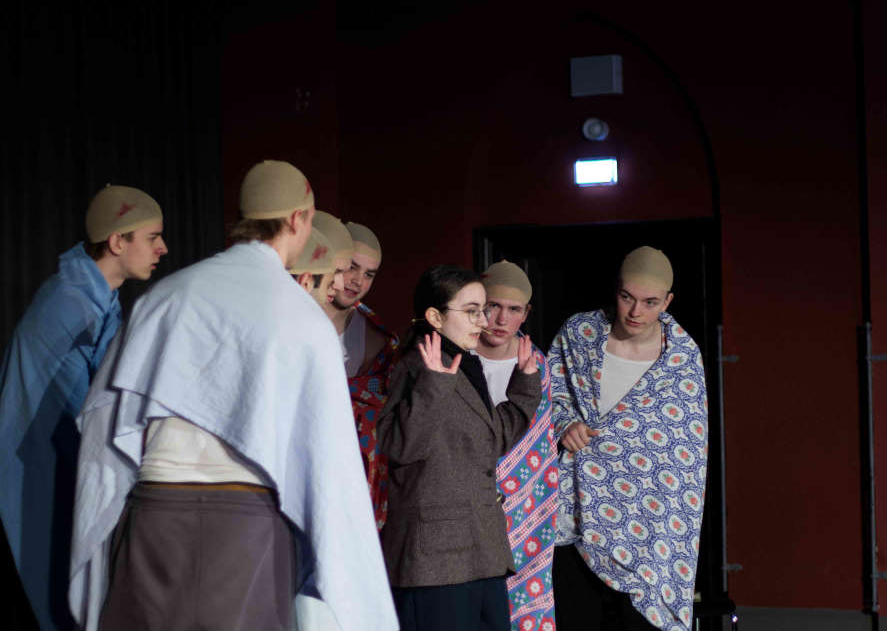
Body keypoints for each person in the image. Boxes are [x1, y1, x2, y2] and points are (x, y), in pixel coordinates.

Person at [68, 160, 396, 631]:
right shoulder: (302, 317)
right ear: (299, 220)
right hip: (246, 526)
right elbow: (330, 465)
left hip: (154, 517)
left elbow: (104, 421)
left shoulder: (165, 297)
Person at [0, 184, 165, 631]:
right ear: (117, 242)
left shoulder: (96, 298)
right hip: (39, 477)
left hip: (58, 467)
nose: (163, 249)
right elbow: (81, 415)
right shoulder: (70, 305)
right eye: (153, 237)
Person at [547, 247, 708, 631]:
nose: (636, 312)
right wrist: (565, 423)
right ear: (615, 291)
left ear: (667, 302)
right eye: (627, 297)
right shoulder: (580, 333)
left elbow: (686, 455)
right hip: (577, 507)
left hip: (648, 519)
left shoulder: (681, 357)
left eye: (650, 302)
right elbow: (546, 394)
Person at [377, 264, 542, 631]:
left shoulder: (463, 362)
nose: (483, 321)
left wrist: (524, 385)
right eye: (471, 311)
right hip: (436, 562)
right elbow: (401, 446)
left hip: (481, 553)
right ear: (435, 317)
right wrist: (433, 386)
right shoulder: (417, 365)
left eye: (482, 310)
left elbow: (490, 440)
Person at [475, 261, 559, 631]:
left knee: (518, 605)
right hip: (463, 506)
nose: (501, 319)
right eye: (492, 306)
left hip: (523, 510)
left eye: (513, 310)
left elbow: (541, 452)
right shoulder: (453, 356)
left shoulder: (538, 366)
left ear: (526, 314)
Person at [317, 217, 397, 529]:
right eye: (352, 267)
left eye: (369, 274)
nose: (357, 281)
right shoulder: (294, 318)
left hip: (360, 479)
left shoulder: (381, 339)